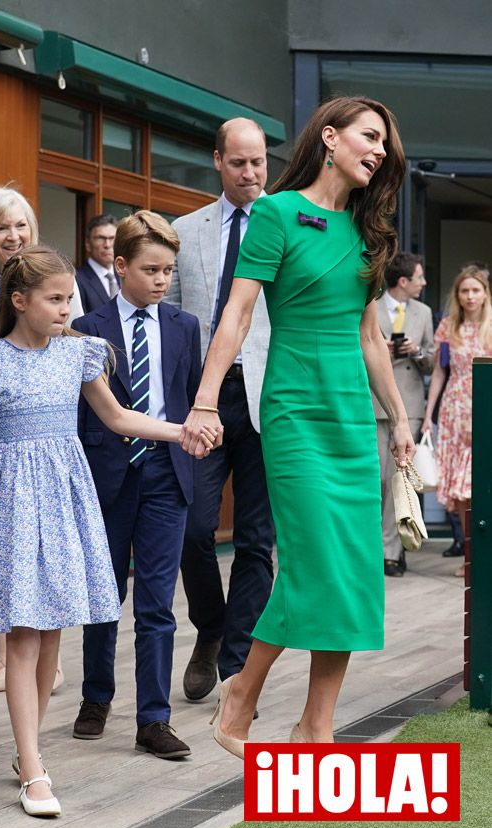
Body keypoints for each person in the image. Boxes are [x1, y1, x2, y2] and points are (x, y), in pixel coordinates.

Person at [0, 245, 216, 816]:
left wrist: (181, 431)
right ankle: (34, 768)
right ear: (19, 301)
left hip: (64, 499)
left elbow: (117, 419)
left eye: (71, 297)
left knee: (50, 636)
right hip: (7, 503)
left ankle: (29, 749)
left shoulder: (82, 355)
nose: (68, 308)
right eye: (56, 298)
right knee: (22, 633)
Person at [180, 95, 415, 755]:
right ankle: (241, 695)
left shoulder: (369, 234)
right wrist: (203, 402)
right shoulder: (277, 214)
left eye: (385, 147)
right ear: (330, 136)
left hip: (349, 418)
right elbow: (237, 315)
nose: (378, 151)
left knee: (354, 568)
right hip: (293, 412)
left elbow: (370, 337)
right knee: (312, 565)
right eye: (370, 137)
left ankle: (317, 724)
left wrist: (398, 419)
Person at [71, 211, 202, 758]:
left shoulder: (184, 327)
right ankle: (96, 697)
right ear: (120, 265)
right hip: (105, 477)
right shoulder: (87, 330)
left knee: (156, 603)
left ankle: (154, 718)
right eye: (151, 269)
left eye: (169, 271)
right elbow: (83, 414)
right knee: (104, 595)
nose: (161, 280)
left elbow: (192, 398)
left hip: (166, 479)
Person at [168, 117, 274, 703]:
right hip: (203, 401)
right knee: (194, 529)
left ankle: (234, 668)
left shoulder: (285, 226)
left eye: (258, 161)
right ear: (217, 161)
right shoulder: (187, 230)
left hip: (266, 398)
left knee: (258, 539)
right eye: (239, 162)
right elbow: (179, 323)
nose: (251, 173)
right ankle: (211, 628)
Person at [0, 185, 73, 693]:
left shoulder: (54, 287)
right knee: (4, 545)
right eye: (2, 226)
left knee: (45, 545)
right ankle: (7, 655)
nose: (13, 234)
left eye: (21, 224)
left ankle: (46, 648)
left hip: (43, 433)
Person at [422, 265, 492, 577]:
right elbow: (439, 371)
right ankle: (470, 558)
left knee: (481, 485)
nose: (470, 296)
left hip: (485, 407)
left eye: (475, 290)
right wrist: (428, 414)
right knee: (462, 492)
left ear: (485, 293)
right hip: (455, 410)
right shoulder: (448, 327)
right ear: (458, 295)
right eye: (464, 291)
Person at [372, 252, 434, 577]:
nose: (424, 283)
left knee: (399, 480)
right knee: (377, 480)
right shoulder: (371, 305)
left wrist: (417, 351)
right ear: (403, 281)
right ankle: (373, 548)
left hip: (408, 406)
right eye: (420, 278)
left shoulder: (423, 313)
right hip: (372, 404)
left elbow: (433, 361)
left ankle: (391, 553)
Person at [76, 213, 119, 313]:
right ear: (88, 244)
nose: (107, 245)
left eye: (112, 238)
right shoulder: (77, 279)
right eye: (100, 238)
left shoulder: (125, 277)